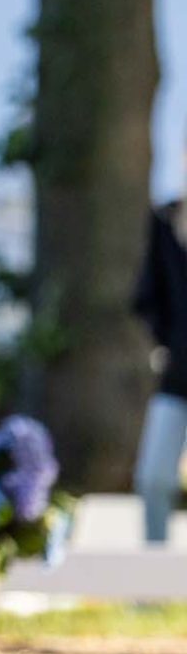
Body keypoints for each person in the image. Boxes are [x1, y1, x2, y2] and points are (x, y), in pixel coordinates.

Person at [131, 181, 187, 541]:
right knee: (153, 477)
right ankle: (153, 577)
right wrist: (165, 343)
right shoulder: (166, 218)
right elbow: (147, 294)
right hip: (178, 371)